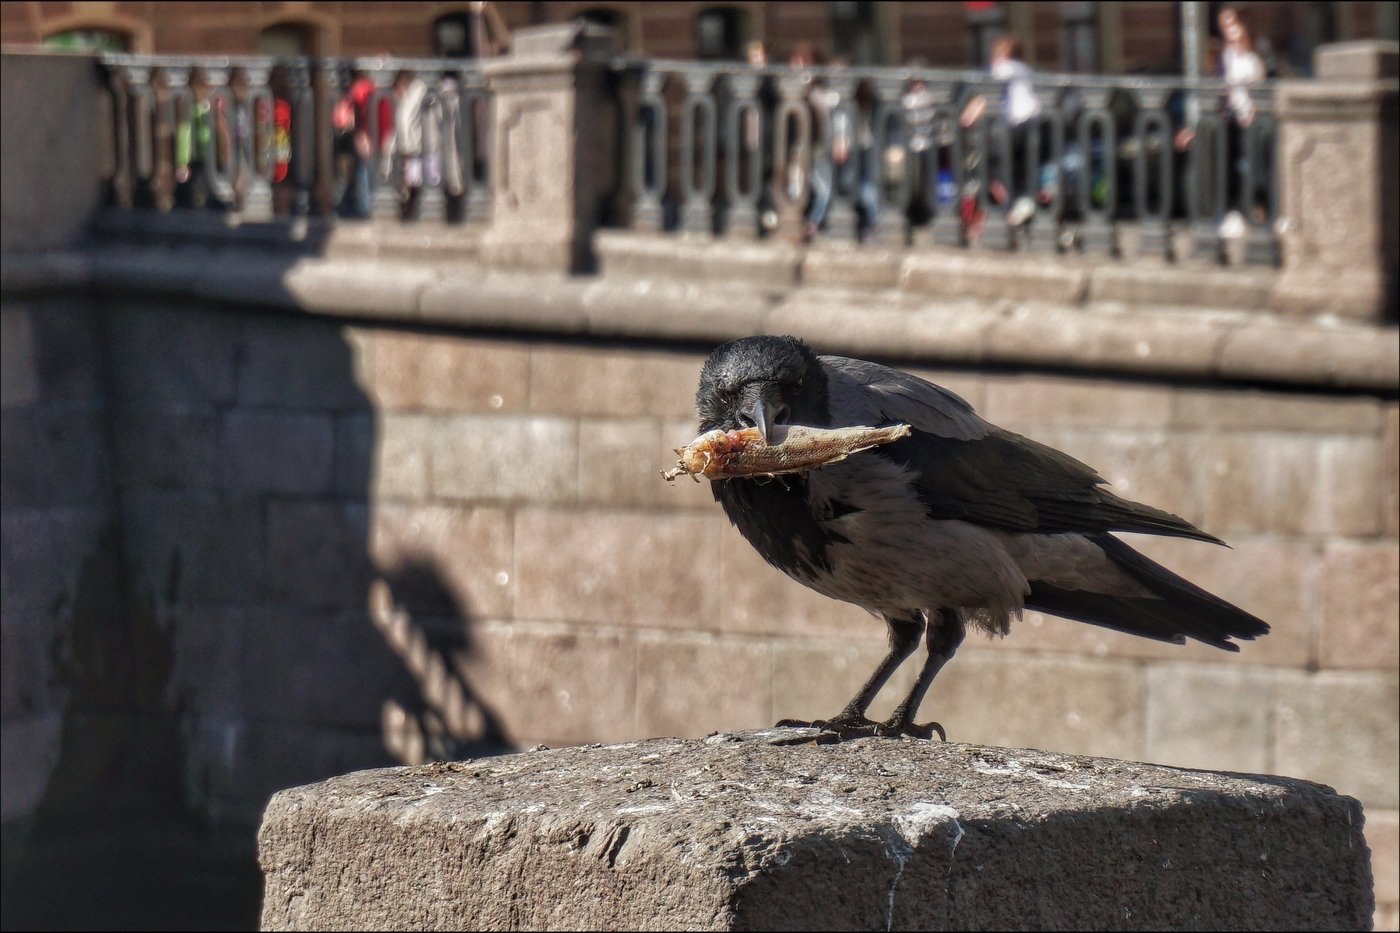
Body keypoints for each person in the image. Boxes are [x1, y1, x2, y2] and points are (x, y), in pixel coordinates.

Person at [960, 36, 1042, 227]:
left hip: (1015, 126)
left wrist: (966, 118)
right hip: (1034, 125)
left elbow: (985, 97)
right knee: (1019, 168)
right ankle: (1021, 202)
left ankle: (1007, 206)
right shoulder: (1025, 69)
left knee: (989, 165)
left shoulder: (1004, 68)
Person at [383, 69, 430, 221]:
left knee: (412, 181)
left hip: (414, 146)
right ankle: (407, 210)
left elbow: (405, 121)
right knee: (408, 181)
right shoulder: (408, 98)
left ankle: (410, 212)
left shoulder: (416, 94)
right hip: (408, 146)